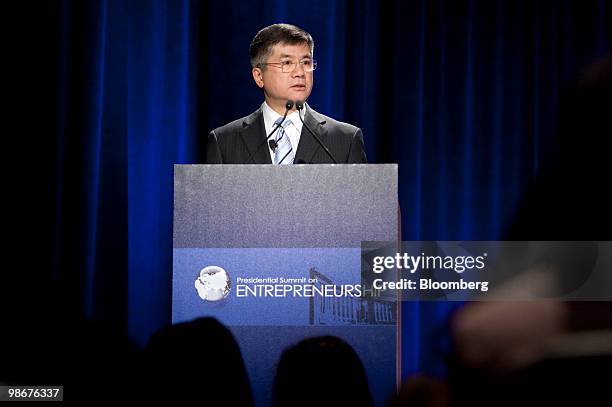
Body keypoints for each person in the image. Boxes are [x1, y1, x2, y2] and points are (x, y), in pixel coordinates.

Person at [203, 23, 367, 164]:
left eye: (306, 62)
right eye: (287, 63)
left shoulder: (345, 140)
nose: (300, 72)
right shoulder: (224, 141)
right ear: (259, 76)